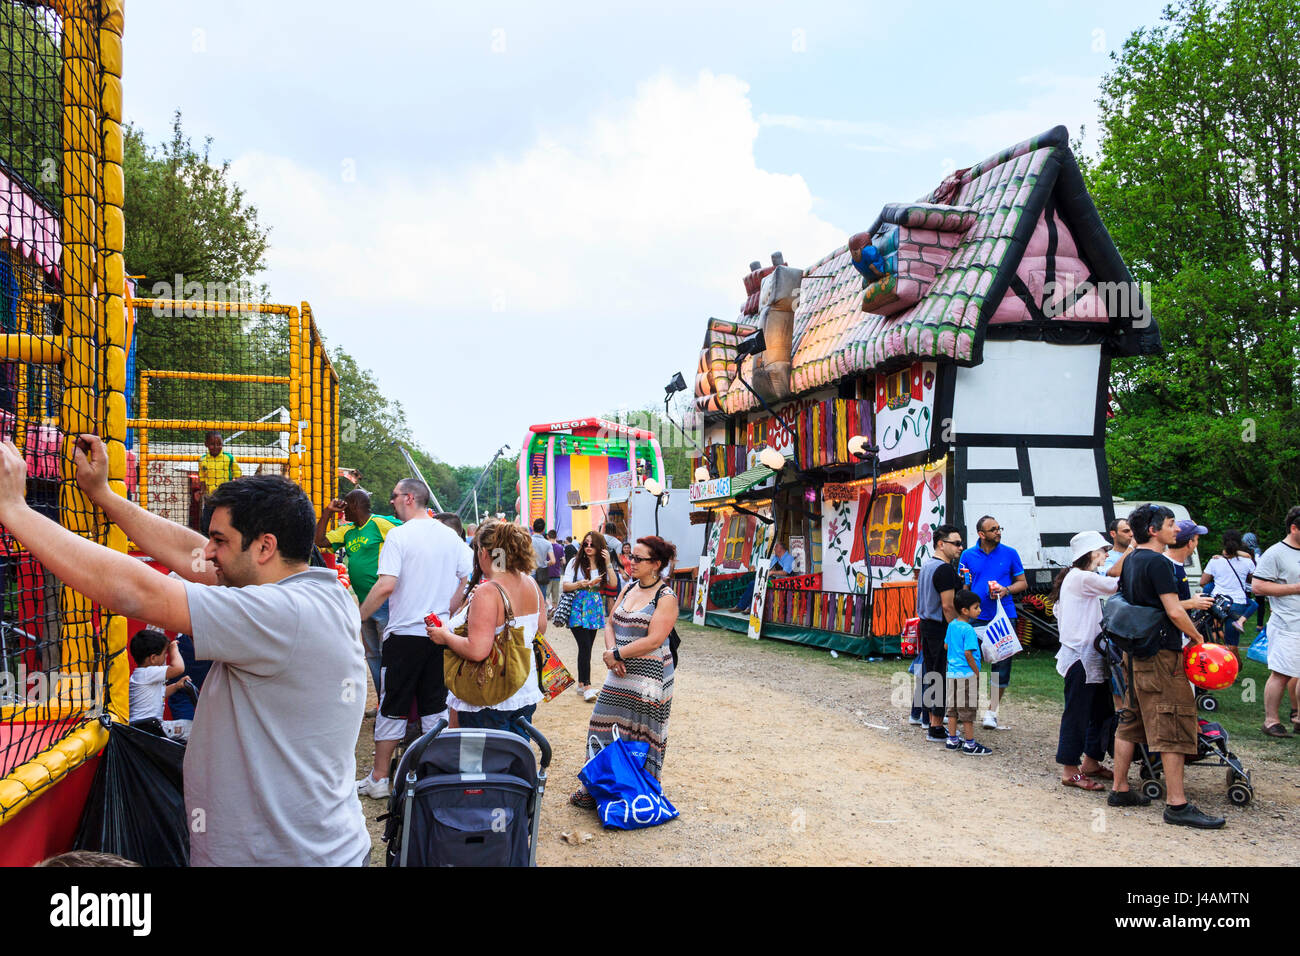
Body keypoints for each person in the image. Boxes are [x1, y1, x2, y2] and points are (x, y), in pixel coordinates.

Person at [0, 435, 370, 865]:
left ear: (265, 547)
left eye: (220, 540)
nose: (207, 551)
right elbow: (189, 553)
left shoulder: (280, 614)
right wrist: (104, 495)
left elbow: (135, 591)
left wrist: (14, 509)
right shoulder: (316, 591)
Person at [1109, 503, 1224, 828]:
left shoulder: (1132, 559)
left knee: (1131, 719)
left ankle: (1120, 788)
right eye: (1171, 524)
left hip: (1135, 654)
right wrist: (1198, 638)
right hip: (1160, 655)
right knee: (1173, 720)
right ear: (1154, 530)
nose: (1176, 530)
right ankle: (1177, 804)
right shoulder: (1158, 563)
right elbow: (1174, 611)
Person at [355, 479, 472, 800]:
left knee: (393, 706)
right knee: (436, 707)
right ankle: (434, 776)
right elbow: (468, 574)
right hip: (438, 634)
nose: (390, 502)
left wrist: (358, 617)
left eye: (393, 497)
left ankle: (379, 778)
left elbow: (385, 585)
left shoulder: (399, 535)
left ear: (409, 498)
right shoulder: (451, 537)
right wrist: (450, 607)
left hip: (405, 635)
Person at [571, 535, 679, 808]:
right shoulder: (629, 587)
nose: (631, 562)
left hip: (649, 676)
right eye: (632, 557)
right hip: (618, 672)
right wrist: (611, 655)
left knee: (641, 733)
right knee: (601, 723)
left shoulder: (666, 597)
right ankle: (594, 786)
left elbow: (655, 640)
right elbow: (610, 623)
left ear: (656, 564)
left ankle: (641, 791)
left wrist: (617, 654)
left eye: (638, 558)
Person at [429, 520, 545, 737]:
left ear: (484, 552)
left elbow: (477, 650)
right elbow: (539, 629)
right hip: (523, 687)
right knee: (513, 759)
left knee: (479, 765)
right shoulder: (531, 584)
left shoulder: (488, 591)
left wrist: (445, 636)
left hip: (489, 694)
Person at [1051, 531, 1126, 791]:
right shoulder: (1082, 578)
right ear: (1092, 553)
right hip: (1080, 657)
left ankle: (1091, 761)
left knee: (1102, 712)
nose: (1107, 555)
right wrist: (1132, 549)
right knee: (1077, 713)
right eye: (1103, 550)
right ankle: (1069, 769)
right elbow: (1117, 582)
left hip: (1089, 656)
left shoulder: (1076, 577)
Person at [316, 488, 401, 693]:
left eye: (346, 505)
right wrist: (327, 512)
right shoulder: (348, 531)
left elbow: (408, 534)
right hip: (363, 603)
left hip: (384, 601)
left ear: (355, 505)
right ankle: (383, 703)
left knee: (388, 654)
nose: (343, 511)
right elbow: (319, 541)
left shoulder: (379, 523)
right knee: (372, 655)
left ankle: (393, 705)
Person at [960, 515, 1026, 729]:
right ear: (981, 534)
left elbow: (1022, 583)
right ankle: (965, 709)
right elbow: (965, 586)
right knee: (968, 662)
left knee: (1001, 667)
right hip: (976, 619)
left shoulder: (1010, 553)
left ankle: (991, 712)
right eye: (993, 529)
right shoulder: (968, 555)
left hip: (1003, 618)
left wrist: (1005, 590)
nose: (998, 532)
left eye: (999, 528)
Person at [1250, 507, 1300, 737]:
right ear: (1293, 527)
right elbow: (1258, 587)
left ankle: (1298, 718)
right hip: (1286, 624)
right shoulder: (1275, 553)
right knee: (1281, 673)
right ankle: (1271, 721)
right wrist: (1295, 588)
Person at [912, 524, 963, 741]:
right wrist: (956, 631)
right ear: (941, 544)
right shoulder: (944, 569)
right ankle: (935, 726)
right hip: (940, 626)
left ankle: (929, 719)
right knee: (940, 675)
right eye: (956, 543)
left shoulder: (927, 566)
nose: (960, 547)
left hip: (927, 624)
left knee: (931, 673)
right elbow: (948, 605)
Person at [561, 531, 619, 702]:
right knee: (585, 646)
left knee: (587, 647)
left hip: (593, 607)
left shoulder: (602, 564)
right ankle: (587, 686)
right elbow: (565, 586)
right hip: (577, 607)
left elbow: (614, 584)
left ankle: (581, 684)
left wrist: (608, 562)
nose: (587, 547)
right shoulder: (575, 561)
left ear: (600, 547)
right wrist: (581, 583)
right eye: (585, 544)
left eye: (592, 544)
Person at [944, 589, 992, 755]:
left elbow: (946, 646)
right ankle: (970, 744)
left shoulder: (952, 626)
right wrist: (976, 672)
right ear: (965, 610)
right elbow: (968, 653)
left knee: (952, 708)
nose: (979, 610)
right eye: (976, 607)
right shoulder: (969, 630)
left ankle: (952, 739)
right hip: (967, 675)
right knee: (968, 710)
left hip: (952, 674)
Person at [1199, 528, 1257, 662]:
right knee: (1232, 641)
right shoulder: (1247, 562)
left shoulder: (1215, 561)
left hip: (1218, 603)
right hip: (1238, 603)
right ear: (1239, 544)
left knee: (1213, 634)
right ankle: (1235, 667)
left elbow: (1203, 582)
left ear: (1223, 543)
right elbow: (1252, 581)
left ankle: (1214, 663)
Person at [128, 627, 193, 742]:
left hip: (143, 727)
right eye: (164, 654)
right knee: (192, 728)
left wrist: (176, 686)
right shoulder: (149, 672)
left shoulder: (141, 674)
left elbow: (160, 694)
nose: (166, 657)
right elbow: (179, 668)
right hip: (149, 728)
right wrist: (173, 648)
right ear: (153, 658)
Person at [729, 540, 793, 612]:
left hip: (781, 582)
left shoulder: (788, 558)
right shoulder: (776, 557)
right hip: (772, 579)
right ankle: (745, 606)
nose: (774, 549)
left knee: (755, 584)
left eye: (776, 547)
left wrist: (772, 572)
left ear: (781, 549)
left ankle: (746, 607)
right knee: (754, 583)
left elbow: (785, 572)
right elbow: (768, 567)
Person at [197, 430, 238, 498]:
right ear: (206, 444)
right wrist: (201, 491)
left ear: (222, 444)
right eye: (212, 444)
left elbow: (238, 476)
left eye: (219, 444)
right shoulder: (202, 460)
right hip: (210, 496)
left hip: (225, 495)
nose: (216, 447)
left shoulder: (229, 458)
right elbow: (202, 479)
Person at [530, 518, 555, 607]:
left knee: (530, 600)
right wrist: (545, 563)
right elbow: (553, 561)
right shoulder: (547, 543)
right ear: (543, 529)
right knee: (541, 600)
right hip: (542, 574)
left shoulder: (528, 541)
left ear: (533, 528)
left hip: (530, 573)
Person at [547, 529, 565, 608]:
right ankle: (553, 612)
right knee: (555, 598)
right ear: (556, 537)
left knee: (545, 596)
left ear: (548, 536)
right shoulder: (560, 547)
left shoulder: (546, 546)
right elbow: (563, 561)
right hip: (557, 574)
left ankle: (549, 609)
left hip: (546, 575)